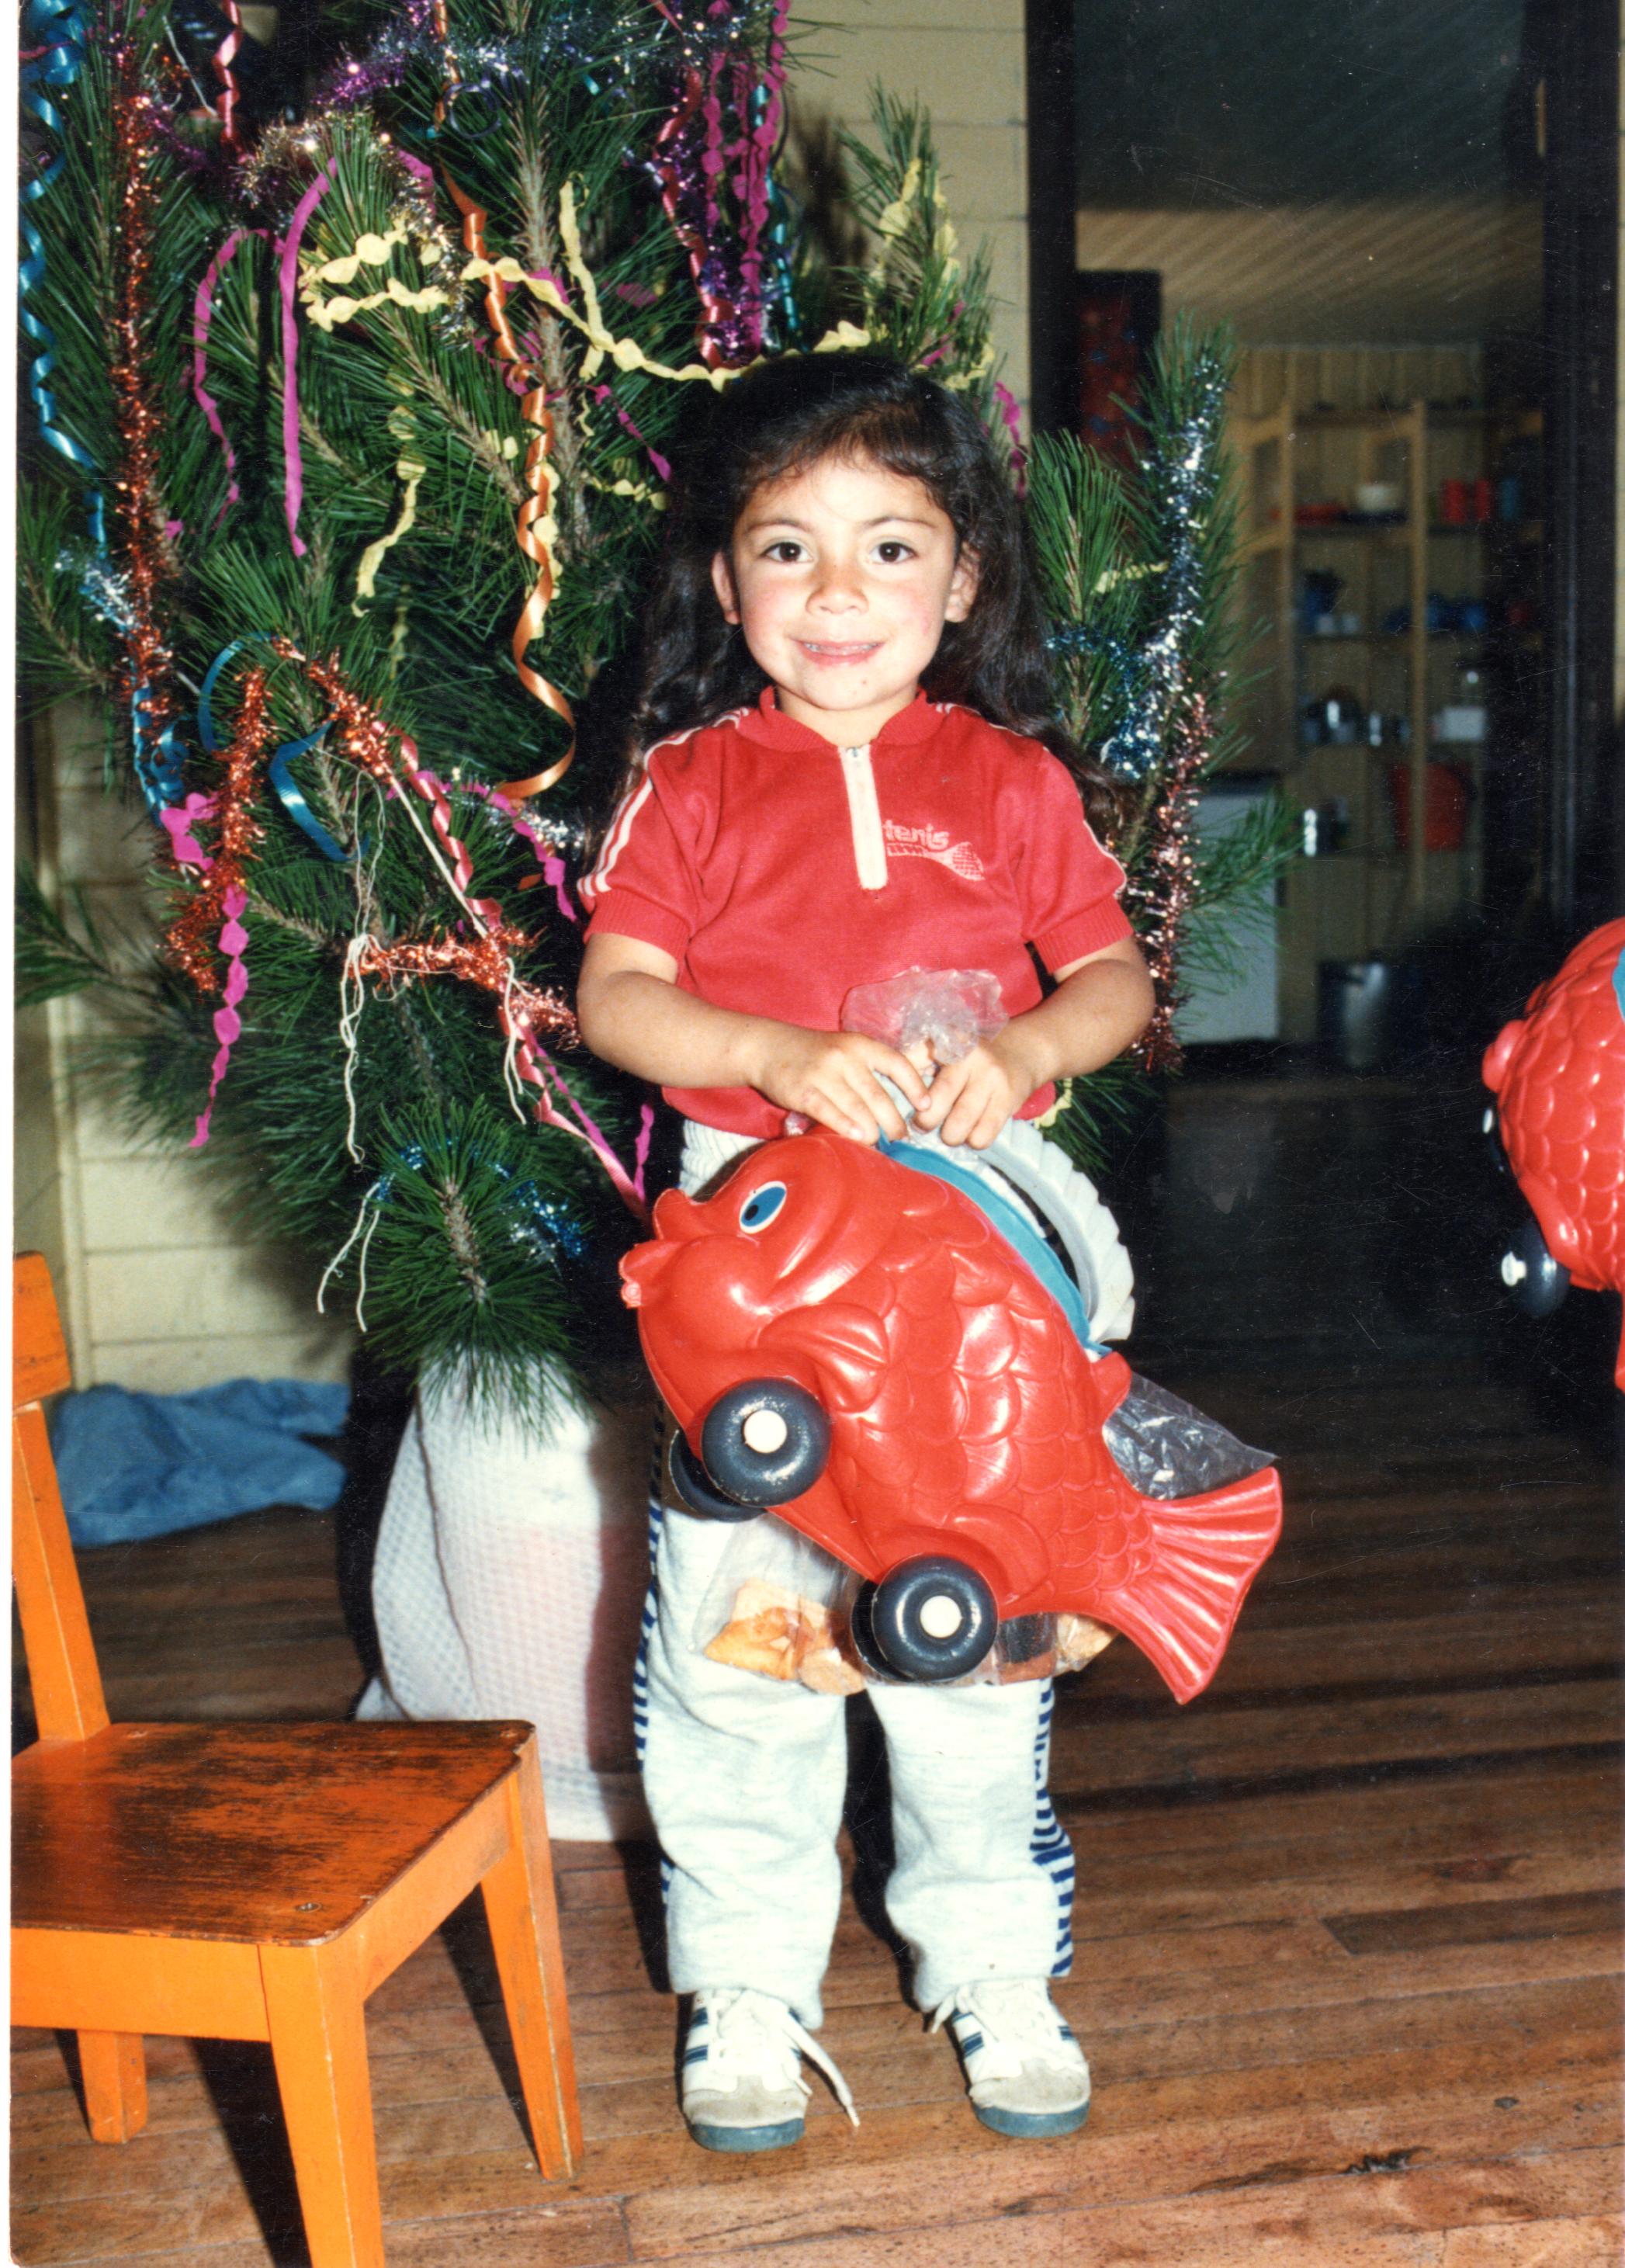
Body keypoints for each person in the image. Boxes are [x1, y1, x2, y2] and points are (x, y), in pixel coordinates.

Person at [576, 353, 1154, 2153]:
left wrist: (1028, 1053)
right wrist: (766, 1055)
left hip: (975, 1306)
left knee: (974, 1649)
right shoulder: (691, 788)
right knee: (735, 1652)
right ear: (726, 581)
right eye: (789, 551)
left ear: (965, 577)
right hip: (760, 1305)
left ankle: (994, 1963)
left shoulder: (1010, 782)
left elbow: (1114, 978)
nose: (839, 598)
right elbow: (617, 1002)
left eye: (891, 549)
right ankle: (747, 1984)